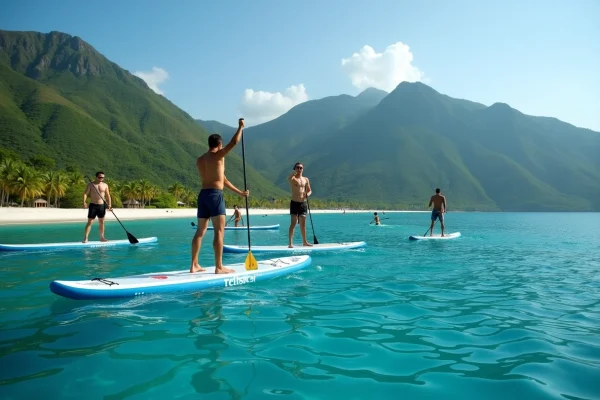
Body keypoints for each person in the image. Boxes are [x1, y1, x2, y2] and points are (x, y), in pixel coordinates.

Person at [190, 118, 249, 274]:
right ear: (219, 145)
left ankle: (194, 265)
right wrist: (240, 127)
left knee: (200, 231)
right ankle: (219, 267)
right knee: (219, 232)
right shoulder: (218, 156)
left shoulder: (200, 160)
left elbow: (223, 180)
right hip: (215, 196)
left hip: (203, 195)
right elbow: (234, 143)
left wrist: (240, 193)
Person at [288, 162, 312, 248]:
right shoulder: (293, 178)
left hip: (303, 203)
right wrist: (293, 173)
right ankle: (290, 243)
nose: (299, 169)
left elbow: (309, 190)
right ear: (295, 169)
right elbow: (289, 178)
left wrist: (307, 195)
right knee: (293, 223)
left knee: (303, 224)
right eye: (297, 167)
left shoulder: (306, 179)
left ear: (303, 169)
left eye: (301, 168)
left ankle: (305, 242)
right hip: (294, 203)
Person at [83, 171, 112, 243]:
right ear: (96, 177)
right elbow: (85, 194)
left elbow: (108, 196)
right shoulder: (90, 184)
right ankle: (86, 238)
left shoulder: (105, 185)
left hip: (102, 205)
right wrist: (84, 202)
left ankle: (102, 238)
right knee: (90, 222)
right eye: (100, 177)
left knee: (101, 222)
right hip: (93, 205)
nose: (101, 178)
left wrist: (109, 205)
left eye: (103, 177)